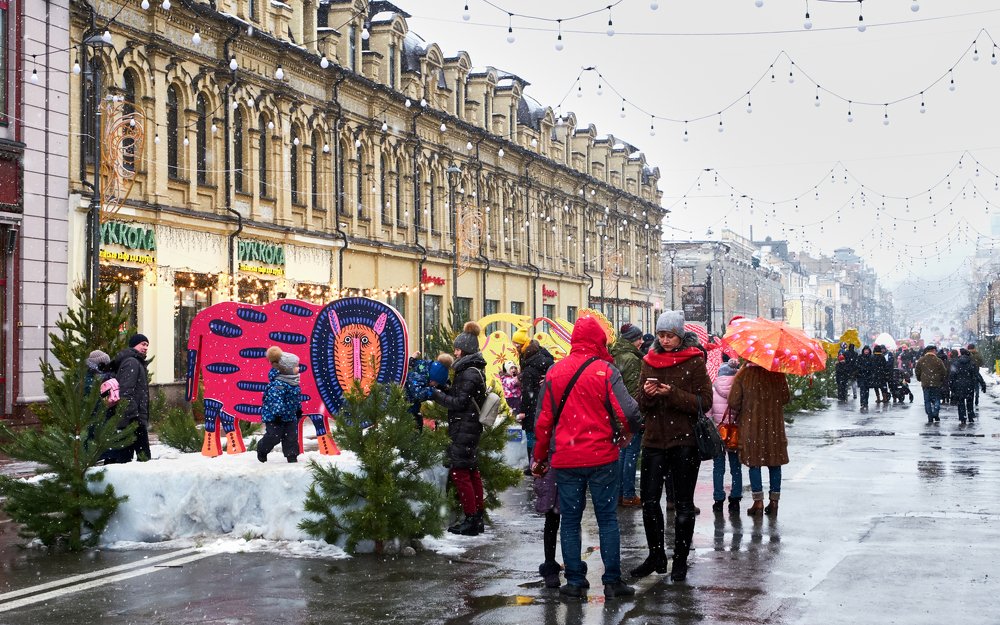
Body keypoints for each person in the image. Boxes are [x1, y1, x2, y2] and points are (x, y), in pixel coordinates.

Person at [532, 315, 641, 600]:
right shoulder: (605, 371)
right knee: (607, 519)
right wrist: (626, 434)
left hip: (566, 459)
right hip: (602, 457)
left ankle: (576, 582)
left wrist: (539, 457)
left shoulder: (555, 372)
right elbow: (627, 411)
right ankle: (613, 581)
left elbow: (543, 421)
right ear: (599, 341)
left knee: (569, 521)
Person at [631, 310, 712, 583]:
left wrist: (673, 394)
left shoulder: (694, 361)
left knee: (683, 504)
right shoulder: (648, 361)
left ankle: (680, 559)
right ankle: (656, 556)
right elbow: (640, 403)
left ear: (680, 336)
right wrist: (649, 395)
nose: (665, 340)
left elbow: (705, 402)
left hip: (684, 441)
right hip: (654, 440)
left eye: (670, 336)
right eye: (662, 335)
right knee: (650, 501)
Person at [431, 321, 488, 536]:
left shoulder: (468, 373)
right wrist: (445, 389)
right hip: (469, 426)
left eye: (456, 348)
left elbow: (458, 403)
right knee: (471, 471)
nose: (454, 352)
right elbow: (460, 396)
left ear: (464, 350)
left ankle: (471, 519)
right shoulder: (471, 370)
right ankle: (477, 518)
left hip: (465, 427)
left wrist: (435, 394)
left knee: (461, 472)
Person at [729, 361, 791, 516]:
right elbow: (785, 398)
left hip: (752, 427)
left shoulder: (744, 374)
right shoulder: (778, 374)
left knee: (754, 463)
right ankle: (774, 501)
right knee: (775, 463)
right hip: (773, 428)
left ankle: (758, 501)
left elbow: (733, 402)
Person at [611, 323, 645, 508]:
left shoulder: (616, 355)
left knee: (622, 453)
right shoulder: (631, 359)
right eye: (639, 338)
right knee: (630, 453)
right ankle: (629, 494)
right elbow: (633, 392)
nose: (641, 341)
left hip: (617, 413)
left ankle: (620, 493)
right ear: (633, 340)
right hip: (629, 414)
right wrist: (637, 416)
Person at [515, 330, 555, 476]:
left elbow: (527, 392)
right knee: (543, 432)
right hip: (545, 401)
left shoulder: (529, 368)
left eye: (517, 345)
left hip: (533, 405)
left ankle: (534, 464)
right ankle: (542, 462)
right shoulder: (545, 358)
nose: (515, 347)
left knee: (531, 434)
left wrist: (523, 410)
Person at [108, 334, 152, 463]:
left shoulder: (135, 361)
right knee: (142, 458)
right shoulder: (132, 362)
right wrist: (134, 415)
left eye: (147, 345)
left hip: (132, 418)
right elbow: (125, 391)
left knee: (125, 458)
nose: (145, 347)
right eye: (143, 344)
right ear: (134, 345)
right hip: (132, 418)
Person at [257, 346, 304, 463]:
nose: (298, 368)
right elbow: (275, 401)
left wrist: (298, 409)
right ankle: (262, 448)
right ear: (286, 369)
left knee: (291, 437)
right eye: (295, 367)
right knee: (274, 436)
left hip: (290, 416)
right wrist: (277, 414)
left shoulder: (293, 382)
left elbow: (295, 399)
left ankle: (292, 456)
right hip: (275, 417)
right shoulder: (278, 384)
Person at [710, 357, 742, 512]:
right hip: (735, 433)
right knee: (736, 467)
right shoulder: (739, 390)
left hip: (718, 433)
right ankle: (735, 498)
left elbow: (708, 414)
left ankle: (718, 498)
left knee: (718, 467)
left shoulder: (713, 389)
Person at [404, 352, 454, 430]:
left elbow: (414, 363)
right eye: (436, 383)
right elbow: (418, 393)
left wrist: (444, 387)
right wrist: (433, 391)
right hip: (405, 410)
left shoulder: (425, 368)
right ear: (432, 378)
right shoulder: (417, 377)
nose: (435, 385)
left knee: (417, 423)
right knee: (415, 427)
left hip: (412, 408)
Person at [949, 348, 986, 425]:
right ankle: (970, 416)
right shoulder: (972, 363)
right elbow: (977, 375)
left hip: (959, 385)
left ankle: (962, 418)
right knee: (970, 401)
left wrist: (951, 385)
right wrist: (983, 384)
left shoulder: (956, 363)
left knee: (961, 402)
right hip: (970, 385)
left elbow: (952, 375)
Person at [915, 345, 948, 424]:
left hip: (925, 383)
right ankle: (935, 412)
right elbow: (944, 372)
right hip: (936, 383)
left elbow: (917, 371)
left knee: (927, 400)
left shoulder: (921, 360)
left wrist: (920, 378)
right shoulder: (938, 360)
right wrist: (941, 379)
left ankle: (930, 416)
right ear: (933, 350)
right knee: (936, 399)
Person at [856, 346, 877, 411]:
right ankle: (862, 402)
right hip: (861, 376)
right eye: (865, 350)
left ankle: (866, 402)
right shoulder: (860, 357)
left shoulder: (871, 357)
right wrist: (861, 369)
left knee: (866, 390)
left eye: (867, 350)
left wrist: (870, 372)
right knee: (862, 389)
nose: (866, 351)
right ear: (863, 350)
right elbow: (857, 365)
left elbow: (873, 366)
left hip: (868, 376)